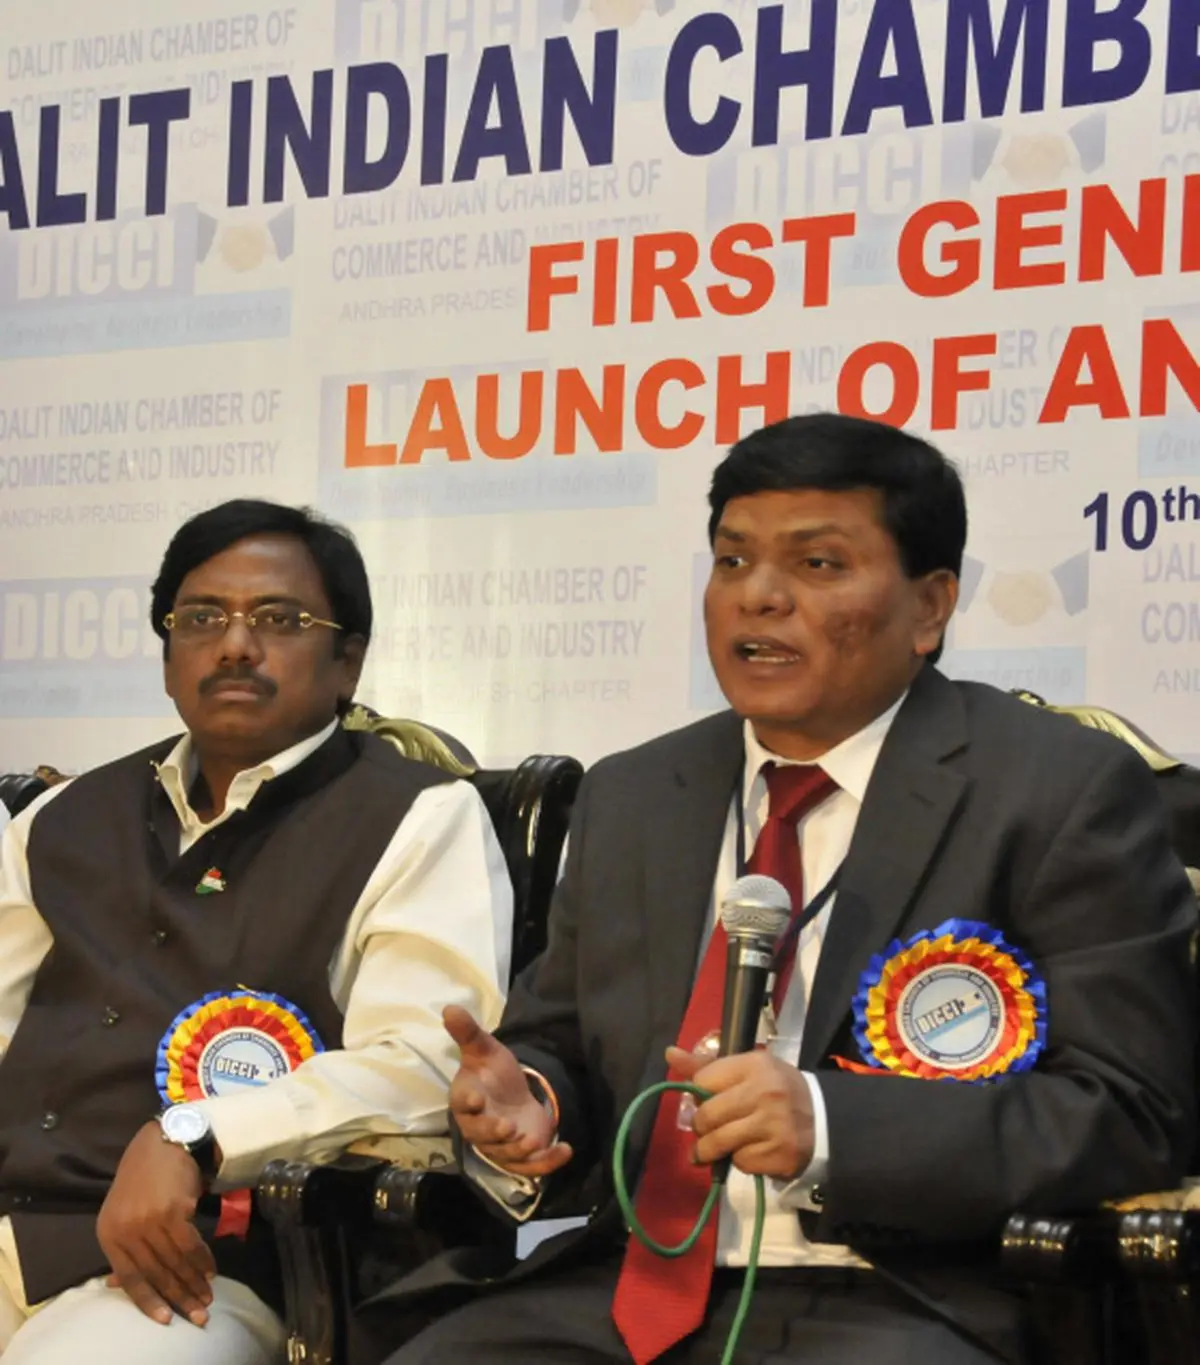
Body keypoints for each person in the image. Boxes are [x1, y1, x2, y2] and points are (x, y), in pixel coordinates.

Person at [370, 414, 1196, 1364]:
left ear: (930, 607)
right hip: (620, 1286)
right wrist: (534, 1103)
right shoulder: (636, 794)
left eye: (816, 565)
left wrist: (831, 1126)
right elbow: (558, 1039)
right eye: (731, 562)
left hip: (901, 1295)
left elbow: (1131, 1110)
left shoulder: (1055, 791)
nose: (757, 598)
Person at [0, 499, 514, 1365]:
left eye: (280, 619)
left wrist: (199, 1136)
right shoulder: (58, 817)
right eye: (202, 618)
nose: (236, 644)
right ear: (168, 654)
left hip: (204, 1266)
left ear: (348, 658)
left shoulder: (419, 817)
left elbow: (424, 1066)